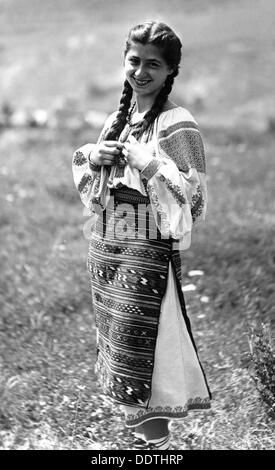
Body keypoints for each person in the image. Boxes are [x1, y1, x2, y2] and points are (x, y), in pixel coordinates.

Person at [72, 20, 211, 450]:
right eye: (134, 61)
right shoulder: (118, 119)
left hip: (148, 254)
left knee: (151, 350)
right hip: (110, 253)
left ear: (171, 71)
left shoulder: (177, 123)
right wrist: (94, 156)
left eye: (154, 64)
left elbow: (195, 197)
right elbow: (94, 191)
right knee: (121, 346)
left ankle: (156, 448)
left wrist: (148, 163)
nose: (141, 72)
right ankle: (139, 444)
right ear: (124, 62)